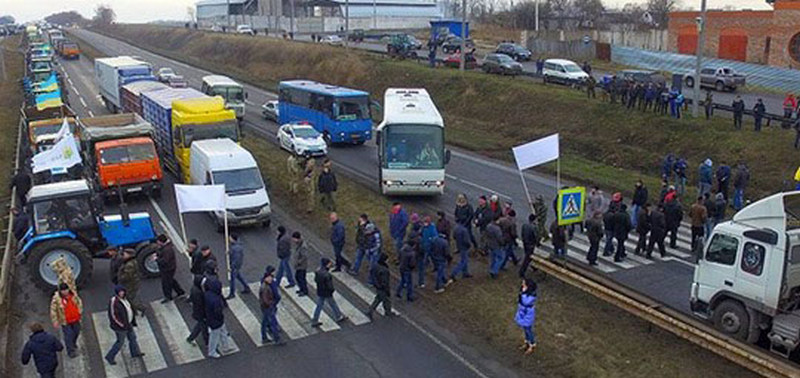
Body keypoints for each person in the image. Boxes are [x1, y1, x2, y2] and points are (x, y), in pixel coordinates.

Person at [105, 285, 144, 365]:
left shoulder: (125, 299)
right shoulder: (114, 301)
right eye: (120, 292)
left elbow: (130, 307)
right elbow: (113, 315)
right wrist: (122, 325)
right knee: (120, 342)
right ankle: (110, 357)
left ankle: (135, 352)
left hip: (128, 324)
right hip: (120, 327)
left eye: (122, 291)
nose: (122, 293)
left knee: (133, 338)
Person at [49, 283, 82, 358]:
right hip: (65, 321)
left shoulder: (73, 295)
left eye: (66, 290)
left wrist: (80, 311)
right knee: (68, 336)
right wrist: (55, 321)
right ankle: (70, 351)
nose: (65, 292)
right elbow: (53, 310)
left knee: (77, 331)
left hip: (75, 318)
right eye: (63, 290)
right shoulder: (56, 299)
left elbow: (79, 302)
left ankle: (73, 343)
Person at [311, 258, 347, 327]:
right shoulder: (327, 275)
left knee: (319, 305)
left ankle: (315, 320)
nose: (330, 265)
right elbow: (330, 285)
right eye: (329, 263)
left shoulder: (318, 271)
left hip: (320, 291)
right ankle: (338, 316)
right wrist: (332, 290)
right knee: (332, 303)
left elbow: (316, 280)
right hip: (327, 292)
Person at [204, 279, 233, 358]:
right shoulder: (215, 299)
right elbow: (218, 312)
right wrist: (220, 318)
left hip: (211, 318)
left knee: (223, 331)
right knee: (214, 336)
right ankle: (212, 351)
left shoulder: (208, 294)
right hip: (216, 320)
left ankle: (226, 346)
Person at [155, 234, 186, 303]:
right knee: (171, 280)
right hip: (169, 268)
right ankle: (180, 292)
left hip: (168, 269)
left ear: (161, 241)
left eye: (158, 241)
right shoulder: (165, 247)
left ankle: (168, 296)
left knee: (166, 283)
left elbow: (165, 261)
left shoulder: (167, 250)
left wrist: (157, 259)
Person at [259, 266, 283, 345]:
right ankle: (277, 339)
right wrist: (272, 303)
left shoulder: (264, 284)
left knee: (265, 321)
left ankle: (264, 337)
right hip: (268, 306)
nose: (271, 279)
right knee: (273, 322)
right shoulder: (266, 287)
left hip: (265, 306)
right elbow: (267, 299)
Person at [117, 249, 145, 315]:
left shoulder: (130, 265)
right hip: (132, 283)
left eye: (125, 254)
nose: (123, 255)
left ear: (129, 255)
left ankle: (141, 308)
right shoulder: (131, 261)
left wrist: (120, 278)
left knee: (129, 298)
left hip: (130, 284)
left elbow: (127, 276)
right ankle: (134, 311)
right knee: (129, 298)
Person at [515, 279, 537, 355]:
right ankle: (527, 342)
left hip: (527, 314)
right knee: (525, 329)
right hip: (523, 312)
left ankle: (532, 343)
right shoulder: (526, 293)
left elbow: (525, 302)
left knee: (528, 330)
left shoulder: (531, 296)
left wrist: (523, 293)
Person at [366, 253, 393, 318]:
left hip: (377, 285)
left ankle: (370, 311)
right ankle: (388, 312)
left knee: (378, 299)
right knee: (386, 300)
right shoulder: (384, 270)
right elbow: (385, 282)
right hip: (382, 287)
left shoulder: (375, 266)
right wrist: (387, 290)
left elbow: (372, 273)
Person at [225, 234, 250, 299]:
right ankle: (246, 287)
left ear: (233, 239)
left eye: (230, 238)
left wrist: (231, 267)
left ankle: (232, 293)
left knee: (232, 280)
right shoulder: (236, 246)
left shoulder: (236, 248)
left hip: (235, 266)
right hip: (236, 266)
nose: (229, 239)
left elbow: (236, 259)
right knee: (239, 277)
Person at [186, 275, 209, 346]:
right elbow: (201, 305)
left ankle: (191, 338)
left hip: (198, 313)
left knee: (200, 325)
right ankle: (207, 342)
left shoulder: (194, 288)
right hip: (201, 313)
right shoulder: (198, 293)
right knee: (203, 327)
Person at [418, 216, 438, 287]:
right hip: (425, 246)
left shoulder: (432, 228)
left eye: (426, 222)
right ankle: (433, 265)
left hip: (430, 246)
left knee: (432, 257)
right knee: (428, 258)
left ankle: (436, 266)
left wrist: (430, 241)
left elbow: (435, 237)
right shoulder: (423, 228)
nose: (425, 224)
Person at [292, 232, 309, 296]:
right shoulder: (298, 243)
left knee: (301, 278)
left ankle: (304, 290)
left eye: (294, 239)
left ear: (297, 238)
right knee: (298, 277)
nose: (293, 240)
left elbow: (304, 256)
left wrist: (298, 262)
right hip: (299, 265)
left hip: (302, 265)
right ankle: (302, 289)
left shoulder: (303, 246)